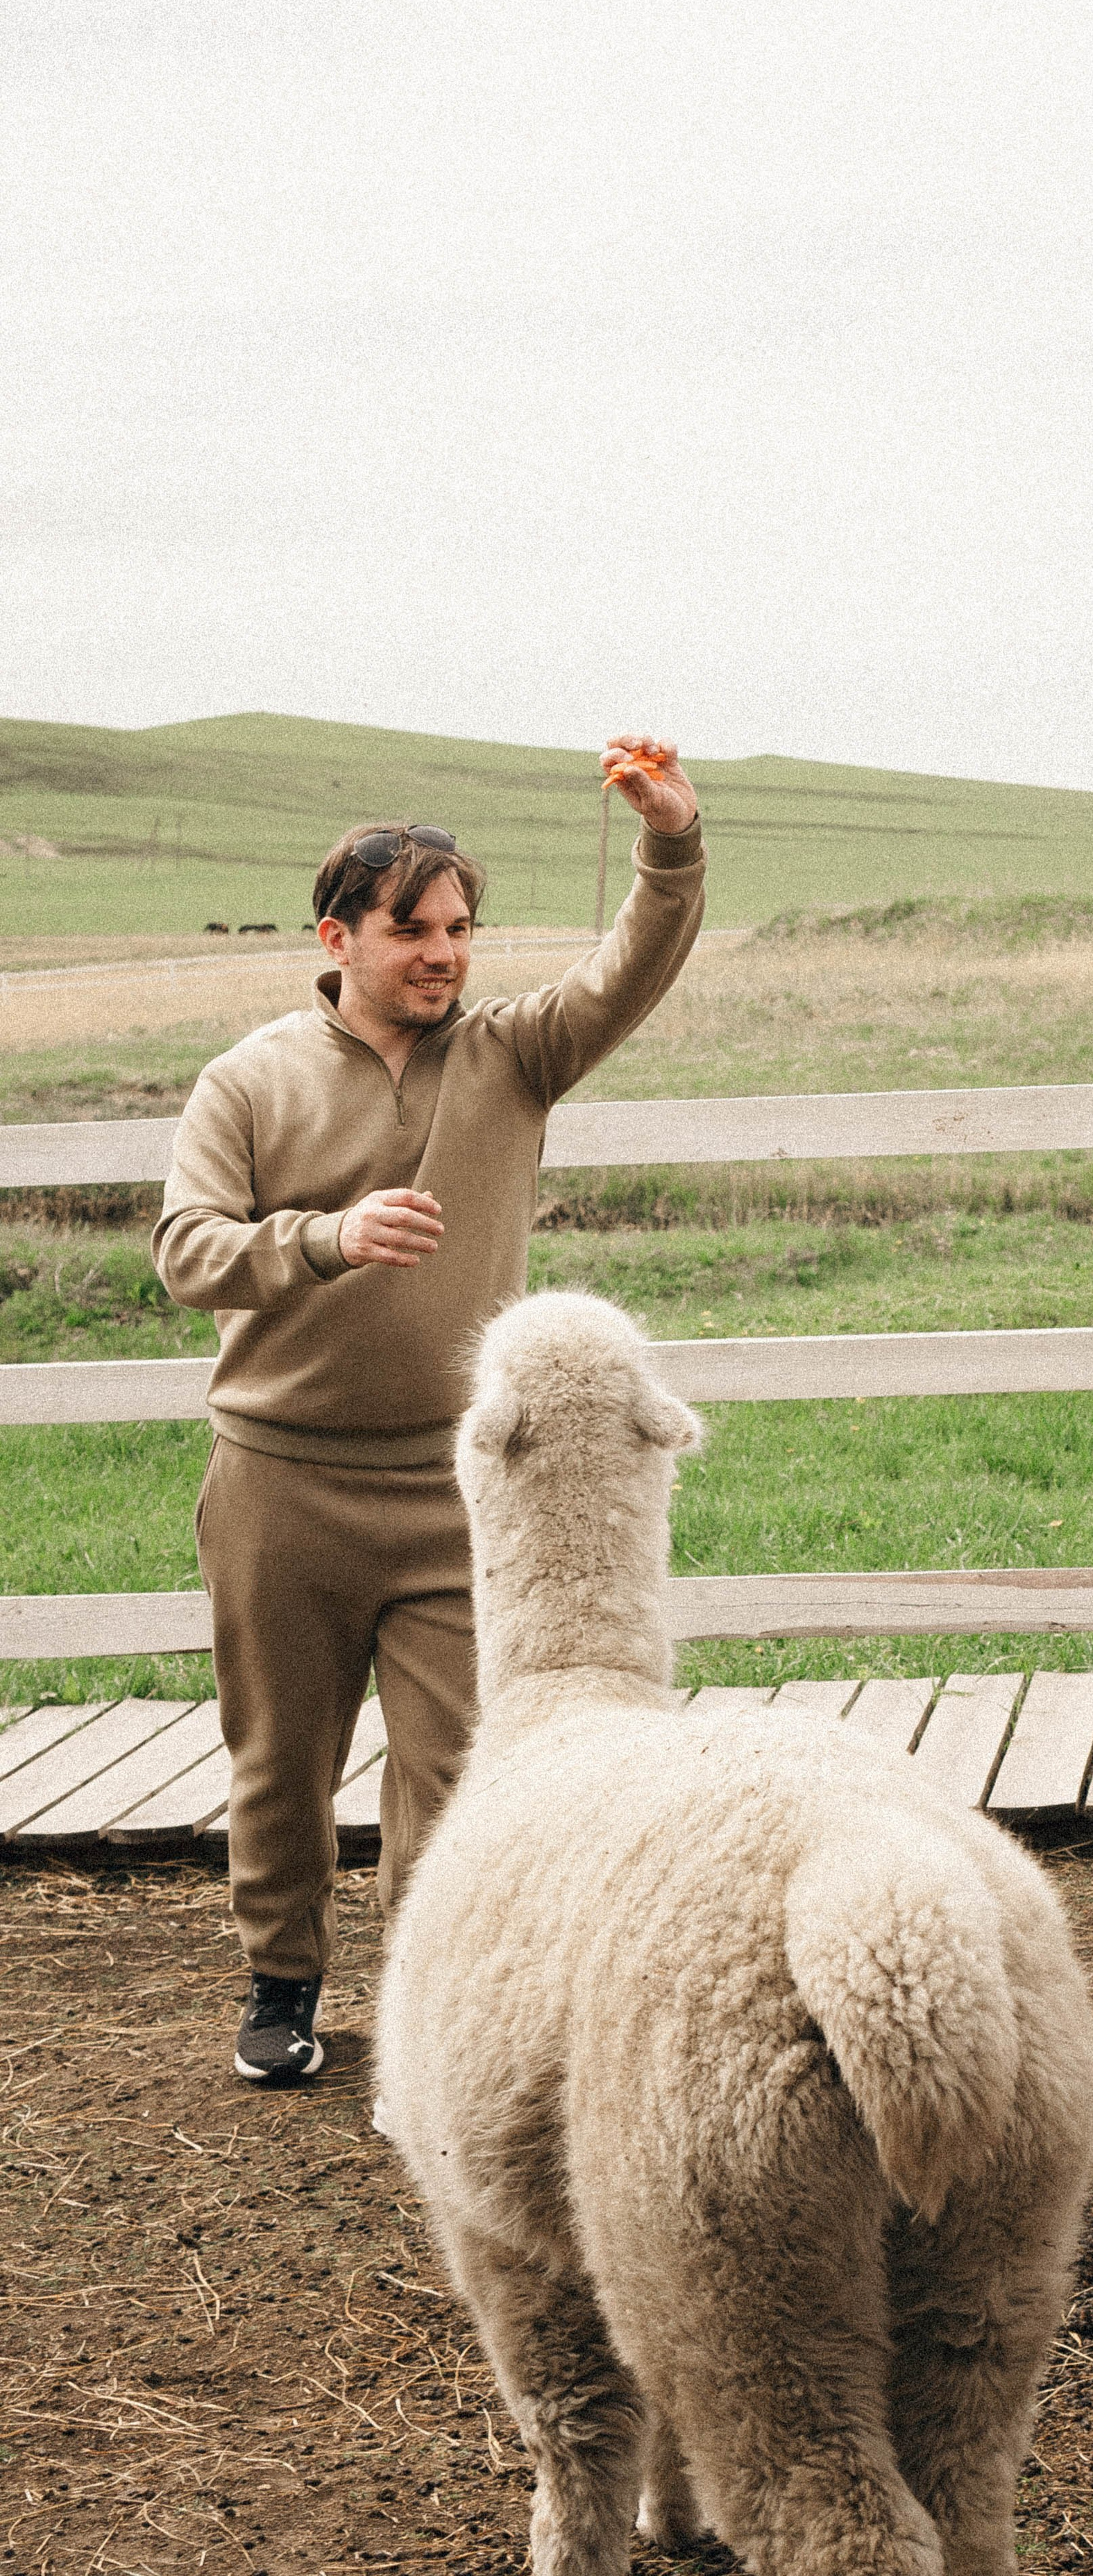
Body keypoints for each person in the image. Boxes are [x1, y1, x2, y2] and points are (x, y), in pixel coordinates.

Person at [152, 738, 703, 2086]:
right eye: (413, 930)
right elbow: (185, 1254)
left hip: (455, 1491)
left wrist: (672, 844)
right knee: (281, 1759)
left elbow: (628, 963)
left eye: (460, 929)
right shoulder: (248, 1082)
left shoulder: (515, 1058)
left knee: (455, 1763)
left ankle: (434, 1998)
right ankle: (281, 1987)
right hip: (277, 1486)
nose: (443, 953)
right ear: (338, 935)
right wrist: (325, 1240)